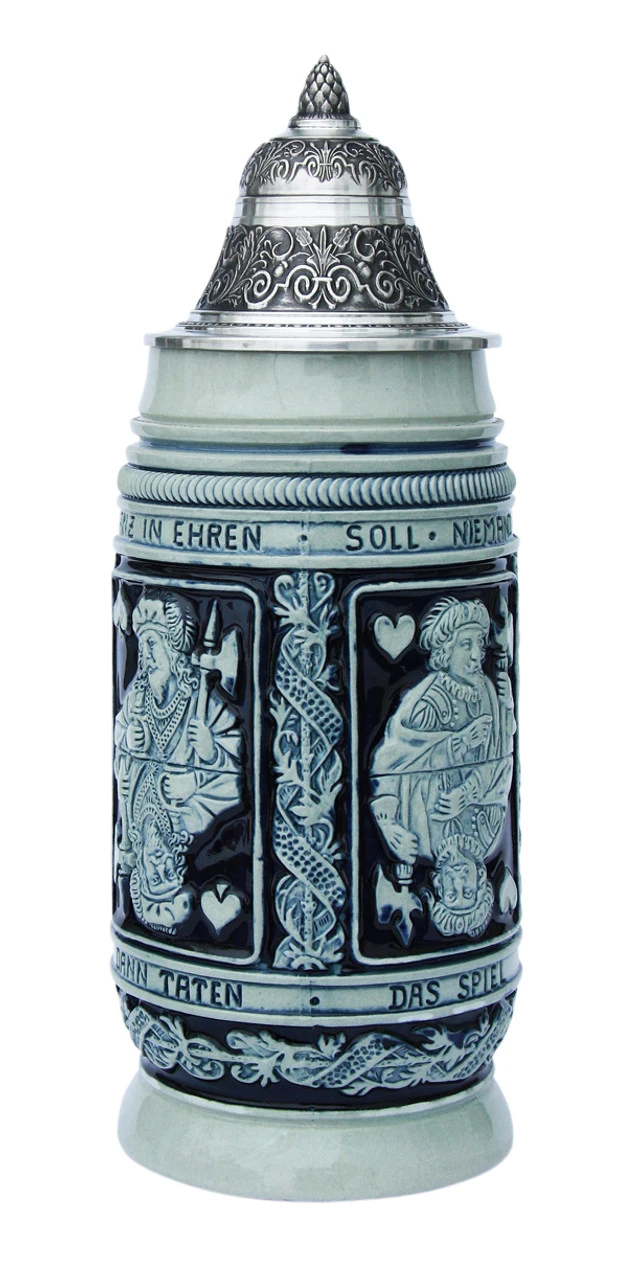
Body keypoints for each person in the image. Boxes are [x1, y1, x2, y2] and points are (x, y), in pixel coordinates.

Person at [370, 596, 515, 871]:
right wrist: (388, 825)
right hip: (430, 828)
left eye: (480, 644)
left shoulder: (487, 689)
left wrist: (468, 793)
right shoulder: (427, 701)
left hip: (481, 827)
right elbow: (392, 762)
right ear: (445, 651)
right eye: (466, 644)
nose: (477, 655)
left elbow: (501, 758)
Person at [114, 590, 242, 883]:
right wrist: (128, 739)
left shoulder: (206, 706)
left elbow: (237, 780)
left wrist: (208, 760)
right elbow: (119, 746)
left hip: (186, 834)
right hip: (141, 831)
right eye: (141, 645)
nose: (144, 656)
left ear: (174, 650)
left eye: (152, 644)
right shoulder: (137, 700)